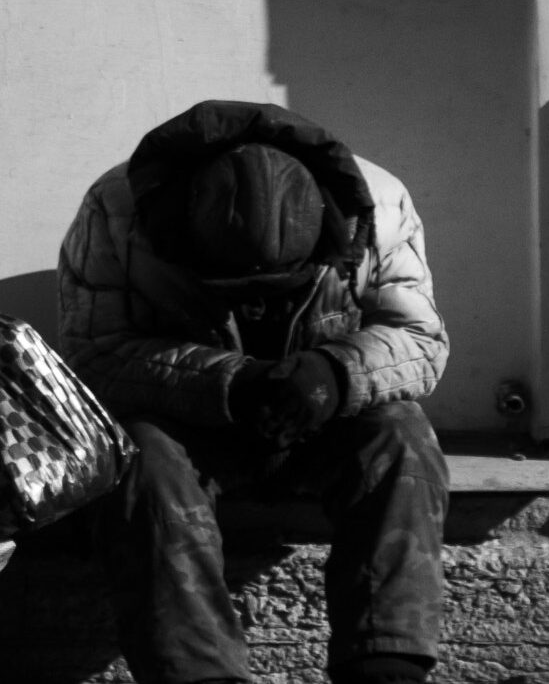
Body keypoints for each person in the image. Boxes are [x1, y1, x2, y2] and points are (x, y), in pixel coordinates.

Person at [57, 100, 450, 684]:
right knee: (137, 457)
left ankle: (385, 667)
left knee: (403, 437)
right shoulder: (116, 210)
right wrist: (228, 383)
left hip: (326, 416)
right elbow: (91, 353)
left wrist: (333, 374)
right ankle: (199, 676)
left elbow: (419, 338)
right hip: (189, 424)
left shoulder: (380, 205)